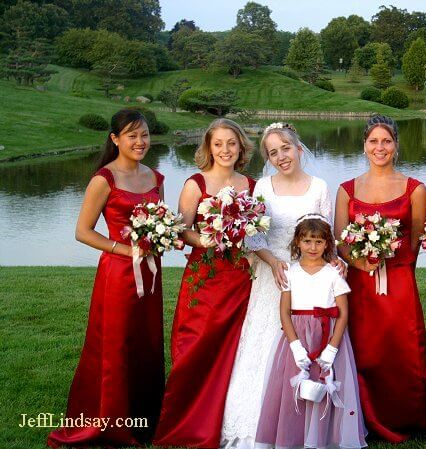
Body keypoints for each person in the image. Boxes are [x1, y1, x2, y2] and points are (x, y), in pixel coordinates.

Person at [221, 123, 344, 449]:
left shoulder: (319, 187)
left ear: (298, 148)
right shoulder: (262, 186)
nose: (281, 156)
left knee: (305, 346)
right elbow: (253, 235)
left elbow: (326, 234)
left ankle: (304, 422)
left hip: (307, 278)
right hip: (271, 274)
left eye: (285, 148)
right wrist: (273, 261)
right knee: (264, 347)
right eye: (273, 152)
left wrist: (332, 262)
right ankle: (255, 425)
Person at [48, 109, 165, 447]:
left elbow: (160, 222)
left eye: (144, 134)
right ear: (115, 139)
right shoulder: (105, 179)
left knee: (146, 342)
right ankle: (110, 421)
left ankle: (144, 417)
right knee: (115, 345)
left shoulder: (157, 178)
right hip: (117, 275)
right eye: (132, 135)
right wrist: (123, 248)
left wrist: (161, 239)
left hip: (150, 273)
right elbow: (82, 232)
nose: (140, 141)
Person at [153, 119, 256, 448]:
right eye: (218, 144)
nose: (225, 150)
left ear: (241, 146)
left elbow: (256, 232)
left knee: (235, 351)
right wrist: (207, 239)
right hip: (205, 278)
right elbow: (181, 231)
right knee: (196, 345)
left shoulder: (252, 185)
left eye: (231, 143)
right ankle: (185, 421)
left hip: (241, 278)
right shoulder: (195, 184)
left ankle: (229, 421)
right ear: (208, 148)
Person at [334, 114, 426, 442]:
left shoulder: (415, 189)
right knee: (365, 349)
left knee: (401, 348)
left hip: (400, 281)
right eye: (374, 141)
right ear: (364, 145)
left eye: (386, 141)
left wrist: (393, 265)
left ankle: (407, 416)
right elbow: (338, 241)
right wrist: (362, 263)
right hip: (360, 284)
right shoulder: (347, 190)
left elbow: (416, 241)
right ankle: (363, 417)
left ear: (396, 146)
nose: (380, 147)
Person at [255, 214, 366, 449]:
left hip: (328, 336)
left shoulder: (334, 273)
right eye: (307, 241)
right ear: (297, 242)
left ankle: (324, 437)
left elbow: (343, 313)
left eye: (318, 241)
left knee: (324, 383)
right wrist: (296, 347)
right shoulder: (290, 273)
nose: (313, 247)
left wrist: (332, 349)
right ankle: (294, 436)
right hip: (297, 337)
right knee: (295, 387)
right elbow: (285, 312)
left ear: (327, 244)